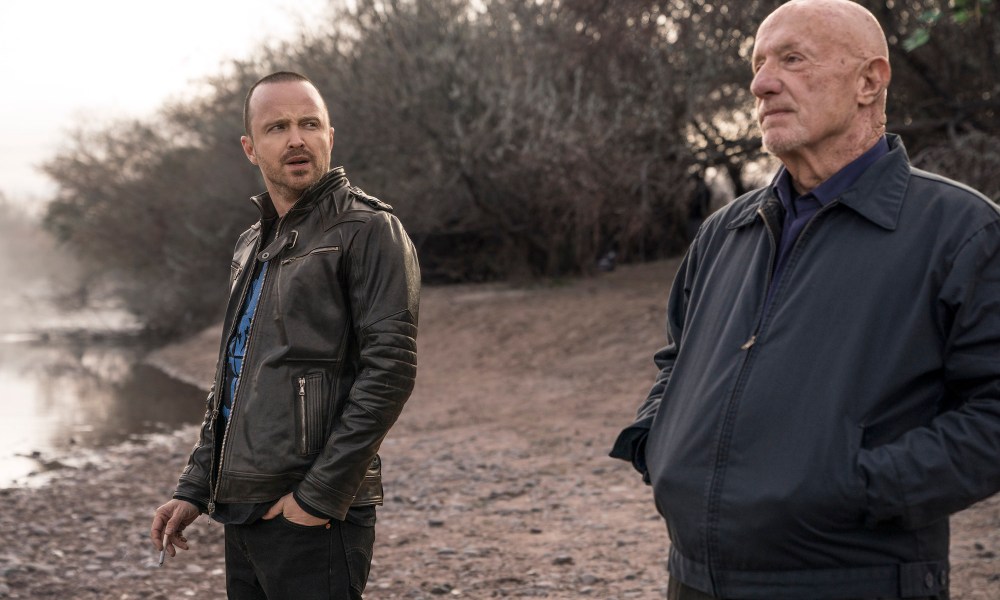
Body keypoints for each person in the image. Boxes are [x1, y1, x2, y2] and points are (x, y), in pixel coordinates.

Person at [610, 1, 1000, 598]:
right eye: (759, 64)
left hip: (854, 580)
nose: (762, 83)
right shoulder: (724, 231)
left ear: (870, 81)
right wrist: (658, 443)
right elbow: (679, 362)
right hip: (695, 579)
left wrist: (853, 487)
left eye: (792, 60)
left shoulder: (960, 232)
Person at [150, 71, 420, 600]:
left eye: (309, 123)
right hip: (243, 509)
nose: (296, 139)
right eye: (277, 127)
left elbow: (390, 374)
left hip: (312, 513)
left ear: (330, 137)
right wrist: (195, 488)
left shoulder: (368, 231)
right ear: (251, 148)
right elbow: (233, 380)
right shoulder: (251, 244)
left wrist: (316, 500)